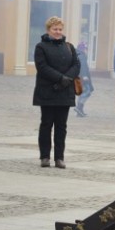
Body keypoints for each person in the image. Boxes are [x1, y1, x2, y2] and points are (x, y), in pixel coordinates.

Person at [32, 16, 81, 169]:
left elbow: (76, 64)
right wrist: (60, 78)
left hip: (65, 92)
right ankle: (45, 156)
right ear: (49, 30)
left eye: (60, 29)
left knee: (61, 126)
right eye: (55, 29)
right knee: (46, 124)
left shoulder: (69, 47)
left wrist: (68, 78)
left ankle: (59, 157)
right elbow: (42, 67)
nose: (58, 32)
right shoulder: (41, 47)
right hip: (47, 91)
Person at [73, 41, 94, 117]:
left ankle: (80, 111)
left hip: (76, 77)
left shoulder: (77, 55)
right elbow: (82, 66)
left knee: (82, 93)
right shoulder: (82, 55)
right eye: (86, 49)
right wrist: (84, 75)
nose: (86, 50)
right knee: (87, 92)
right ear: (83, 49)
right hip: (81, 77)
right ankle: (79, 107)